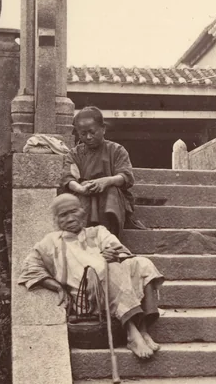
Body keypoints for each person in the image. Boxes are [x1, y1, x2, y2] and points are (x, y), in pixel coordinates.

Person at [19, 193, 163, 360]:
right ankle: (132, 333)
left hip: (116, 286)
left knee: (143, 263)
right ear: (56, 220)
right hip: (89, 296)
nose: (70, 218)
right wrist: (57, 287)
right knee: (104, 269)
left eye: (73, 211)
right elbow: (30, 268)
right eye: (63, 215)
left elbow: (119, 250)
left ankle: (143, 330)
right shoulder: (50, 242)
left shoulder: (98, 232)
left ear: (83, 212)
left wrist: (113, 254)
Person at [60, 106, 137, 234]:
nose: (88, 137)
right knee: (77, 198)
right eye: (83, 134)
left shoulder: (116, 150)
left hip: (110, 198)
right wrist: (80, 188)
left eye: (92, 132)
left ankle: (110, 238)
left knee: (111, 190)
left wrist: (106, 181)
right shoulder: (75, 154)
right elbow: (67, 178)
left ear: (103, 129)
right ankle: (81, 239)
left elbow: (126, 176)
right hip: (84, 196)